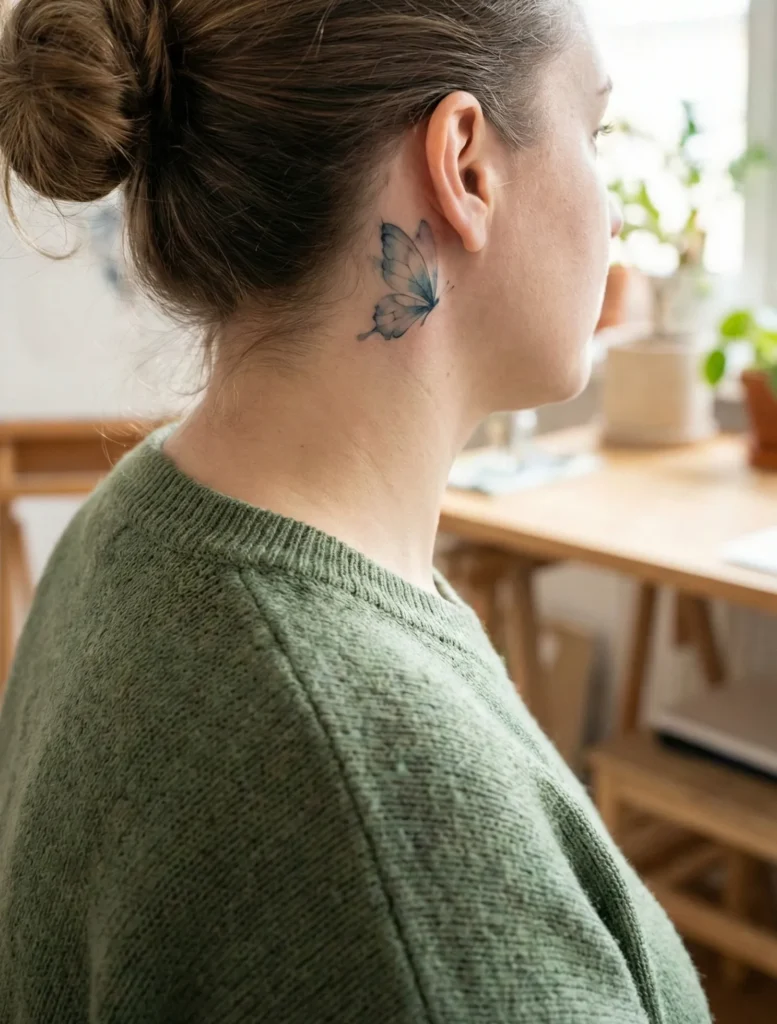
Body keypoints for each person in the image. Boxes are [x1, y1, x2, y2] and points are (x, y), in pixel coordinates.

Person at [0, 0, 711, 1021]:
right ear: (466, 166)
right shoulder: (410, 861)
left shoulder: (139, 517)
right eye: (591, 133)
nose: (613, 216)